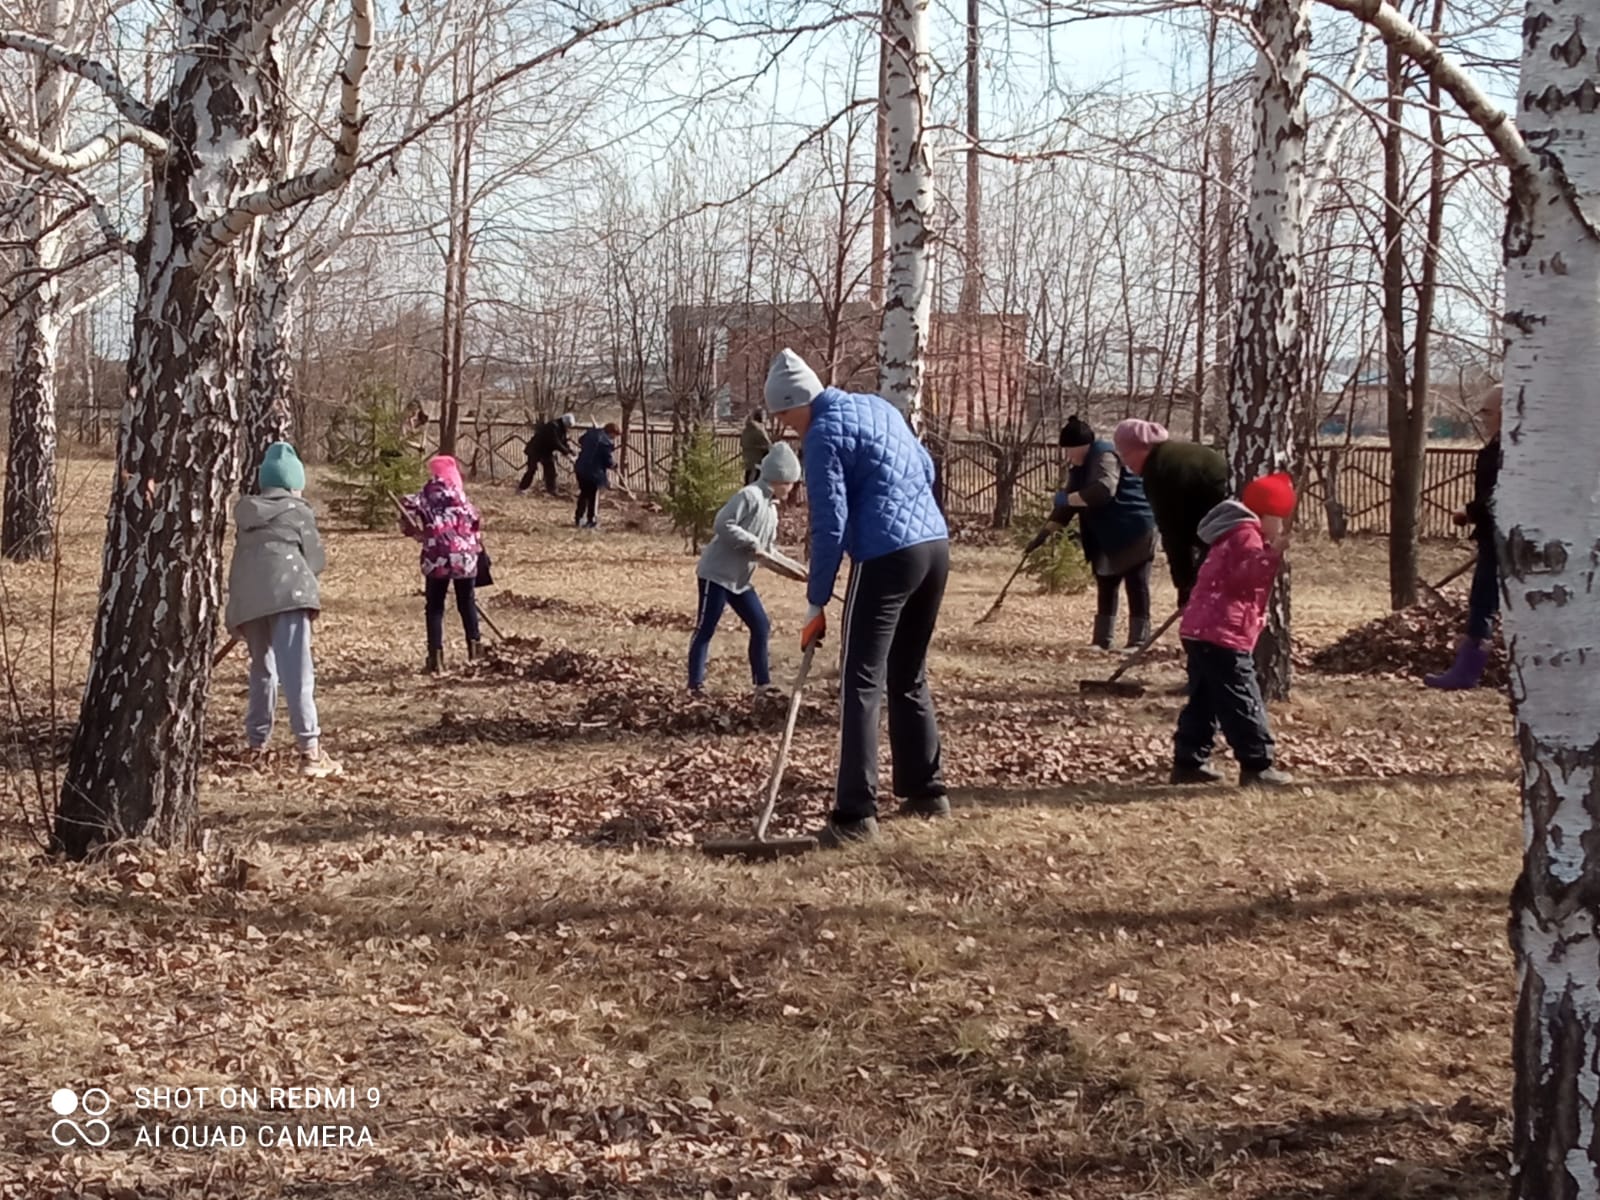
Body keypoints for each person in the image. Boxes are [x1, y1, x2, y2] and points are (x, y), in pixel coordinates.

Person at [764, 348, 950, 847]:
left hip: (886, 556)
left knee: (859, 682)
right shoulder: (878, 406)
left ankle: (855, 814)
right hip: (934, 548)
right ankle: (926, 790)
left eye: (785, 414)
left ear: (798, 401)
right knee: (908, 671)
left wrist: (816, 600)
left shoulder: (823, 434)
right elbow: (927, 467)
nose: (786, 426)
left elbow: (830, 527)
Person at [1171, 472, 1297, 789]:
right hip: (1223, 633)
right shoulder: (1247, 537)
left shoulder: (1231, 534)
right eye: (1279, 519)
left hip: (1202, 630)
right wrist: (1272, 554)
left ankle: (1189, 760)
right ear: (1265, 515)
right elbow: (1244, 578)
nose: (1280, 526)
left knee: (1205, 698)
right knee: (1242, 697)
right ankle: (1257, 764)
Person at [225, 442, 341, 778]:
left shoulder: (247, 516)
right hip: (290, 595)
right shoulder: (298, 511)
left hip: (251, 600)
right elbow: (315, 559)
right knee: (297, 672)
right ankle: (310, 751)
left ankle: (256, 744)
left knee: (263, 669)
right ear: (293, 484)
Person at [1026, 416, 1157, 649]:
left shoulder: (1104, 455)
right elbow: (1066, 507)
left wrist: (1068, 498)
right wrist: (1044, 534)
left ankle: (1139, 641)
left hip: (1134, 528)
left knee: (1136, 584)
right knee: (1106, 582)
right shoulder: (1079, 467)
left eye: (1069, 449)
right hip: (1106, 533)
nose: (1067, 455)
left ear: (1081, 446)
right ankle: (1102, 640)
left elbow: (1103, 490)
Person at [688, 443, 808, 693]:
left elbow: (768, 551)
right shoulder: (750, 496)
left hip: (740, 582)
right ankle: (695, 686)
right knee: (706, 628)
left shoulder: (771, 509)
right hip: (717, 575)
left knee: (760, 625)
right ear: (780, 477)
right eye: (792, 482)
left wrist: (798, 571)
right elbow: (723, 523)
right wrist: (751, 543)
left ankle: (762, 684)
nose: (794, 487)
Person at [1427, 389, 1502, 689]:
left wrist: (1468, 512)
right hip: (1493, 534)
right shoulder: (1500, 447)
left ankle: (1467, 673)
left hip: (1503, 537)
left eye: (1487, 413)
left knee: (1485, 603)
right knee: (1483, 602)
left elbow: (1498, 494)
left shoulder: (1510, 452)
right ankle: (1467, 669)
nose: (1483, 420)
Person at [1113, 419, 1229, 609]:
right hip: (1229, 526)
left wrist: (1185, 586)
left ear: (1143, 447)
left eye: (1126, 454)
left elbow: (1174, 534)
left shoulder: (1160, 470)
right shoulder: (1176, 454)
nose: (1125, 463)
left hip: (1225, 529)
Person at [400, 455, 483, 674]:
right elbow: (476, 522)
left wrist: (413, 531)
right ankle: (476, 654)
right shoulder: (462, 497)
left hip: (437, 555)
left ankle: (436, 659)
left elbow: (405, 504)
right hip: (466, 557)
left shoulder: (427, 494)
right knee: (467, 603)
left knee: (435, 606)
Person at [573, 422, 620, 529]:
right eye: (614, 435)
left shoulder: (591, 435)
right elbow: (608, 461)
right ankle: (591, 520)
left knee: (584, 494)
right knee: (593, 496)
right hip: (593, 473)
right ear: (611, 433)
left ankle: (579, 518)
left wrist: (592, 432)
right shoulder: (605, 443)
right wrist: (614, 465)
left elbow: (581, 440)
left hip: (581, 468)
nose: (614, 438)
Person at [518, 412, 576, 495]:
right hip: (535, 449)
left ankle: (551, 491)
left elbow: (563, 441)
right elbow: (555, 442)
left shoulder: (561, 428)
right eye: (568, 426)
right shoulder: (553, 426)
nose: (568, 428)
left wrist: (570, 451)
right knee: (532, 469)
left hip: (545, 451)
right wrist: (566, 453)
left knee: (551, 471)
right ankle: (521, 488)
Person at [741, 408, 772, 485]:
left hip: (748, 459)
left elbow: (742, 442)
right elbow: (767, 444)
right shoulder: (759, 429)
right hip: (758, 459)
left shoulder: (746, 429)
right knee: (755, 481)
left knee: (748, 479)